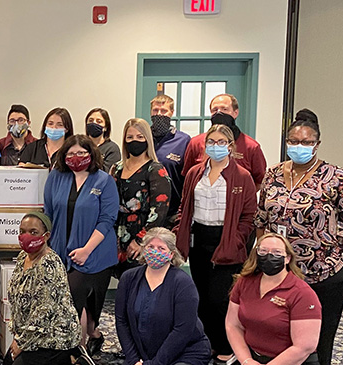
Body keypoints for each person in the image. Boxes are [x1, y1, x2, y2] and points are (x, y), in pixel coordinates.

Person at [254, 110, 343, 365]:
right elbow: (261, 219)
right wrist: (265, 254)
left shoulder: (337, 178)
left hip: (324, 273)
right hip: (281, 272)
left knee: (319, 337)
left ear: (317, 144)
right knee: (280, 330)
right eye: (293, 141)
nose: (299, 146)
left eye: (306, 142)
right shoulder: (273, 175)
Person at [207, 233, 326, 365]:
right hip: (254, 360)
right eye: (263, 252)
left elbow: (304, 347)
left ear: (288, 258)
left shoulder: (302, 293)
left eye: (277, 253)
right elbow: (233, 325)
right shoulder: (244, 282)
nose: (269, 256)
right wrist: (247, 362)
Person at [176, 124, 256, 365]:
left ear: (230, 147)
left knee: (221, 298)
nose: (216, 146)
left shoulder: (242, 176)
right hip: (200, 238)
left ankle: (227, 345)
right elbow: (184, 207)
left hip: (228, 239)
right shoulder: (194, 174)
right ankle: (208, 342)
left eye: (222, 142)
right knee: (200, 295)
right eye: (211, 141)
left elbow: (249, 215)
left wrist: (238, 238)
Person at [1, 213, 106, 365]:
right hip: (34, 335)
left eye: (34, 232)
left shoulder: (49, 264)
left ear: (46, 235)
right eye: (22, 231)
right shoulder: (22, 258)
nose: (27, 236)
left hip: (54, 336)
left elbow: (43, 314)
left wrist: (20, 342)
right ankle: (68, 359)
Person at [115, 229, 211, 365]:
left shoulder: (182, 283)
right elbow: (122, 322)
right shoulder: (129, 278)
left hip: (185, 352)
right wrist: (134, 360)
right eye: (150, 247)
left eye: (161, 248)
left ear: (171, 254)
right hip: (145, 351)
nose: (155, 251)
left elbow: (182, 332)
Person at [44, 135, 119, 356]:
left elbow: (107, 219)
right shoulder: (55, 177)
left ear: (92, 154)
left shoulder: (104, 181)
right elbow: (48, 213)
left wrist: (87, 250)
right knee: (72, 300)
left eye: (81, 153)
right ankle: (92, 336)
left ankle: (79, 353)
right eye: (70, 154)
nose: (76, 158)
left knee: (75, 294)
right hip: (60, 250)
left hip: (95, 253)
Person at [110, 118, 170, 275]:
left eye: (139, 137)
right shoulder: (116, 168)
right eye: (129, 137)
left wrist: (140, 241)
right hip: (117, 233)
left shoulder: (155, 169)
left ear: (147, 140)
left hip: (143, 236)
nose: (134, 141)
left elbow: (160, 210)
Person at [182, 94, 266, 188]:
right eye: (215, 110)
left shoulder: (251, 147)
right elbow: (187, 176)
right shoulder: (196, 143)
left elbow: (261, 180)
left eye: (224, 109)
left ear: (235, 113)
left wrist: (241, 196)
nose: (219, 113)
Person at [148, 94, 190, 222]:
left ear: (172, 112)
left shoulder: (183, 140)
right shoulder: (142, 138)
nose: (159, 114)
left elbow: (188, 177)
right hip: (145, 211)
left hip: (172, 213)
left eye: (164, 111)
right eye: (155, 110)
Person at [85, 107, 121, 171]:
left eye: (99, 121)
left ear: (105, 127)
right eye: (90, 120)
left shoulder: (112, 148)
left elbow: (107, 172)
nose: (94, 123)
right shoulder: (80, 145)